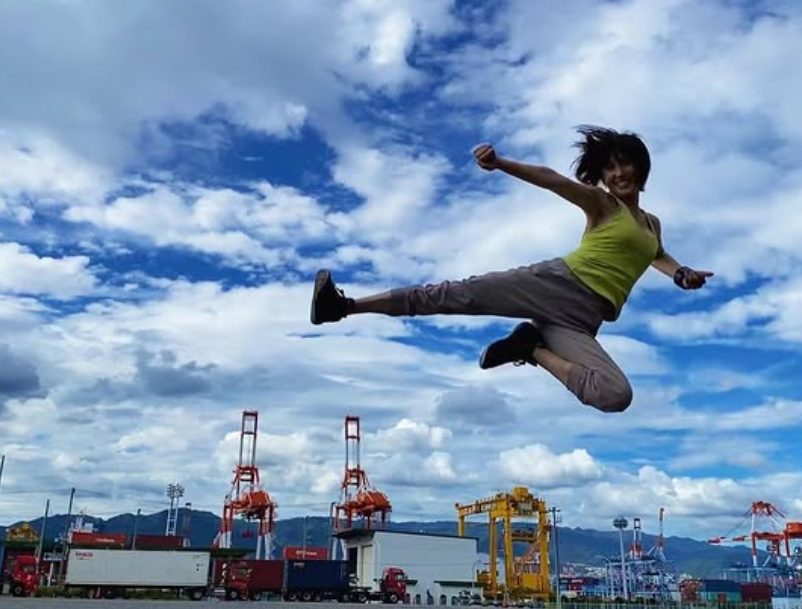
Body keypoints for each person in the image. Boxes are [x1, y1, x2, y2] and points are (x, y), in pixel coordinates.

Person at [310, 126, 713, 413]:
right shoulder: (603, 205)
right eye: (610, 169)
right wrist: (501, 163)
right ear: (602, 176)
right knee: (451, 295)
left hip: (581, 322)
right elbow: (554, 180)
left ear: (642, 169)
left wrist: (682, 274)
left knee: (614, 395)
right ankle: (343, 307)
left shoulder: (651, 224)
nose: (618, 174)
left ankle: (530, 348)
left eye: (625, 166)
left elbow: (656, 254)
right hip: (555, 286)